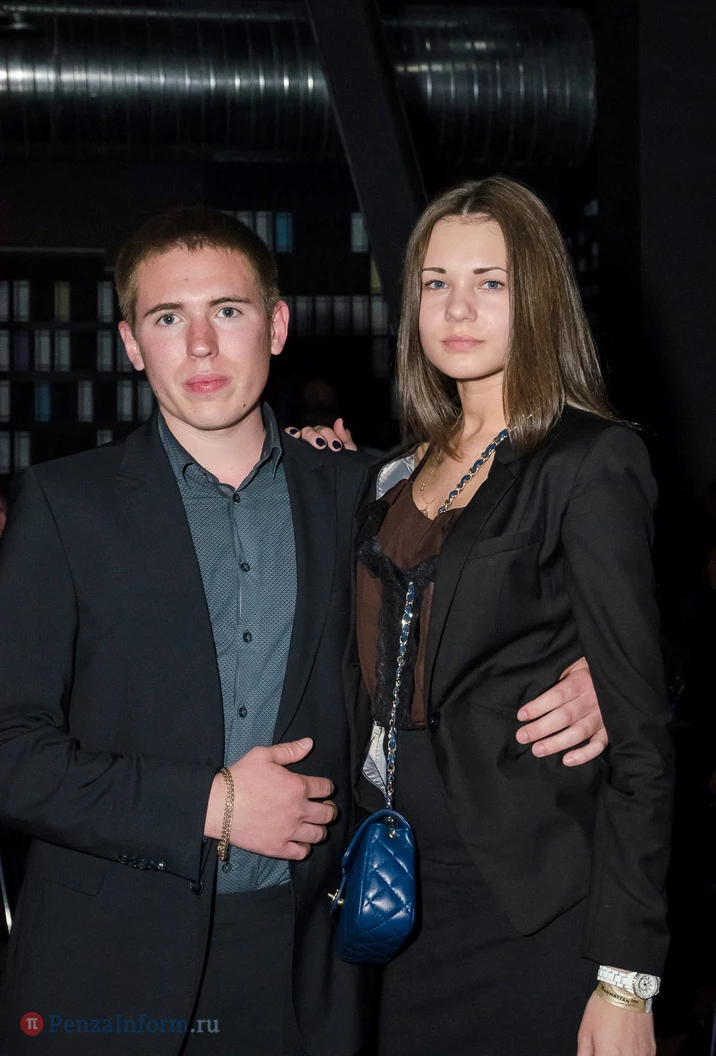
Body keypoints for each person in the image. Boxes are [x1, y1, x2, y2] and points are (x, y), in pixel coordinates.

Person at [0, 206, 605, 1056]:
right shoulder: (64, 506)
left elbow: (514, 599)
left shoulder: (369, 492)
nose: (200, 346)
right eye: (168, 319)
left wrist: (596, 672)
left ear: (277, 326)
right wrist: (212, 803)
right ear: (132, 343)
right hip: (106, 967)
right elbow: (10, 751)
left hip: (308, 975)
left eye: (228, 310)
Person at [298, 177, 673, 1056]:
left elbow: (644, 743)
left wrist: (627, 977)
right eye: (436, 282)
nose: (457, 307)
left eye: (490, 282)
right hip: (393, 891)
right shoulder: (391, 474)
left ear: (537, 295)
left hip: (528, 904)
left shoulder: (587, 460)